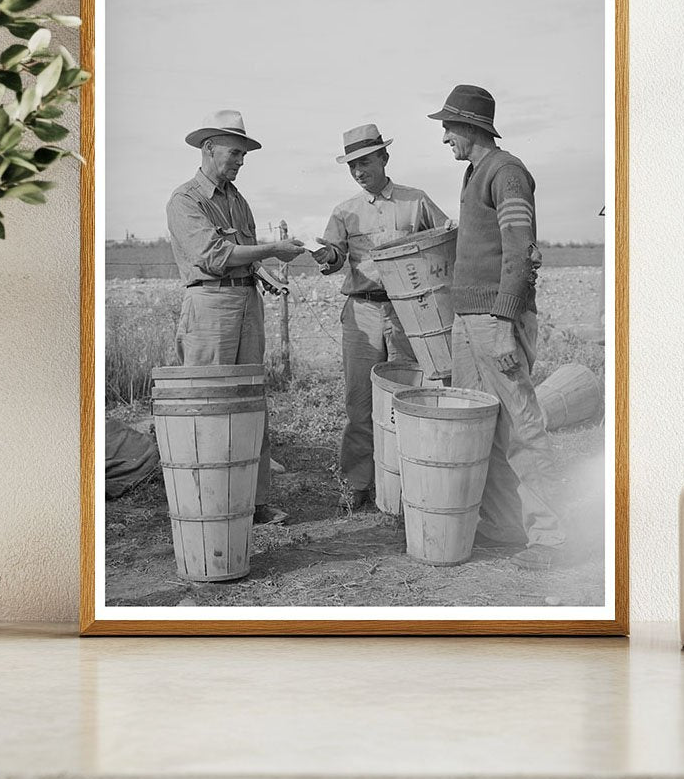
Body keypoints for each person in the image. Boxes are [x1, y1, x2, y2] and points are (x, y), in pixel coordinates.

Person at [428, 84, 566, 570]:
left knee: (523, 426)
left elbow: (520, 252)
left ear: (470, 127)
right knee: (482, 427)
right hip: (469, 321)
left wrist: (506, 323)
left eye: (448, 127)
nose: (444, 136)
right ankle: (506, 527)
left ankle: (548, 538)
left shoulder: (506, 173)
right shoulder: (475, 173)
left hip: (494, 320)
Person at [166, 109, 305, 525]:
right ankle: (207, 502)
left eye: (244, 155)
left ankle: (254, 502)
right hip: (209, 310)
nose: (240, 161)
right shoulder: (186, 200)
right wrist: (271, 252)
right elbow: (214, 256)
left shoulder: (237, 200)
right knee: (209, 405)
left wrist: (264, 275)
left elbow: (243, 254)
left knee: (250, 403)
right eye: (235, 153)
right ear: (208, 149)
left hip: (246, 306)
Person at [313, 123, 450, 511]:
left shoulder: (416, 201)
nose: (359, 171)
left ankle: (411, 479)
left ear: (384, 158)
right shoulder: (344, 212)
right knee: (359, 401)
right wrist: (326, 256)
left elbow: (444, 240)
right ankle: (357, 484)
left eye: (365, 162)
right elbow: (334, 259)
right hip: (362, 312)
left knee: (412, 394)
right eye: (352, 166)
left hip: (411, 312)